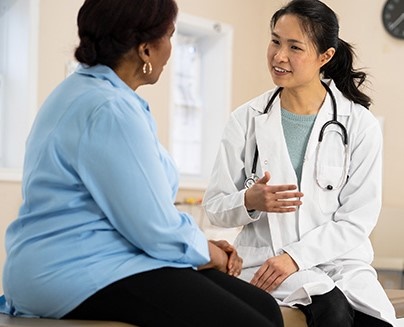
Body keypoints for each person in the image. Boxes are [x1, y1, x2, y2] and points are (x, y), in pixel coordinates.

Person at [0, 1, 285, 326]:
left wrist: (201, 246)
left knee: (264, 307)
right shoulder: (110, 110)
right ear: (146, 49)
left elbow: (144, 212)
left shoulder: (92, 93)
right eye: (170, 36)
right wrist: (211, 253)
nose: (170, 50)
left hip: (100, 259)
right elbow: (154, 229)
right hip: (73, 270)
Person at [203, 0, 397, 326]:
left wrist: (297, 256)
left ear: (325, 56)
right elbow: (215, 206)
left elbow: (357, 219)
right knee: (332, 312)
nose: (279, 56)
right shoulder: (246, 120)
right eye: (275, 41)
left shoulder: (358, 124)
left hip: (340, 263)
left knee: (376, 322)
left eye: (295, 47)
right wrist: (248, 201)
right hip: (267, 261)